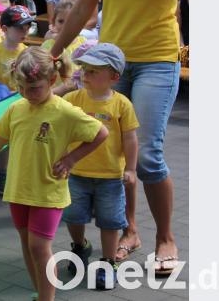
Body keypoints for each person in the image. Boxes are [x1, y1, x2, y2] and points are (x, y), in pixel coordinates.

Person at [50, 0, 188, 276]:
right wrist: (51, 52)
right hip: (109, 64)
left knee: (146, 154)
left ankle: (166, 236)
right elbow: (83, 9)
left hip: (157, 60)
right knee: (110, 150)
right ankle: (129, 230)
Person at [0, 47, 108, 301]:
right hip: (18, 190)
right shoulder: (16, 108)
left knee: (39, 246)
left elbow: (100, 133)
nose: (27, 94)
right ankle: (40, 292)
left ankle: (47, 298)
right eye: (22, 88)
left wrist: (72, 158)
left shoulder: (64, 110)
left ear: (52, 80)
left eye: (34, 88)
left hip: (47, 190)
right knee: (28, 245)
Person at [61, 43, 139, 290]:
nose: (86, 74)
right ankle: (80, 246)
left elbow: (130, 138)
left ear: (114, 77)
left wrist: (131, 169)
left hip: (110, 176)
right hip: (76, 173)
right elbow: (59, 128)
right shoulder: (72, 99)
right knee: (73, 215)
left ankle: (107, 262)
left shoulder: (121, 104)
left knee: (110, 221)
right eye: (85, 68)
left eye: (94, 71)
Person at [0, 6, 34, 193]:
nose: (24, 32)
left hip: (23, 103)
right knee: (5, 141)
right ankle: (3, 172)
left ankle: (20, 175)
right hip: (2, 104)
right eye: (19, 28)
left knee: (23, 142)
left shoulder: (26, 52)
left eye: (27, 27)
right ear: (4, 29)